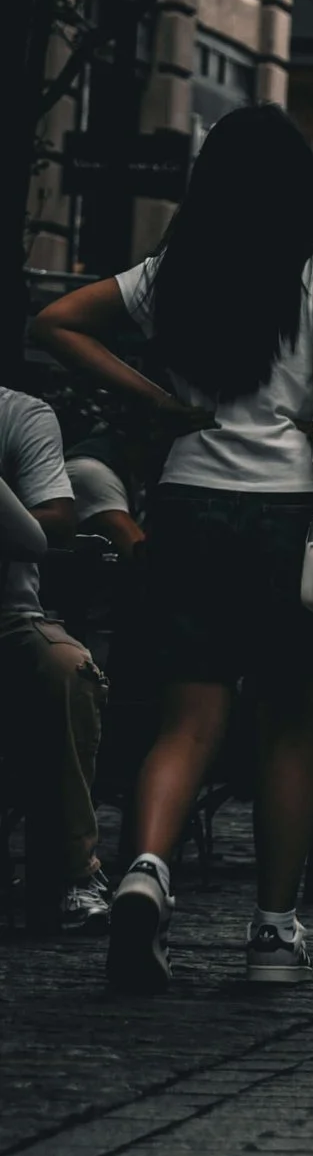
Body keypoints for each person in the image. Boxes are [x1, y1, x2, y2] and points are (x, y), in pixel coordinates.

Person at [36, 105, 313, 993]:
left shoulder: (172, 272)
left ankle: (146, 871)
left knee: (187, 719)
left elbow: (58, 322)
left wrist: (154, 400)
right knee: (289, 725)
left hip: (190, 509)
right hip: (295, 521)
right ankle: (272, 936)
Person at [0, 378, 109, 926]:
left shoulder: (15, 414)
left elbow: (54, 522)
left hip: (8, 619)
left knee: (68, 669)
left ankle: (71, 870)